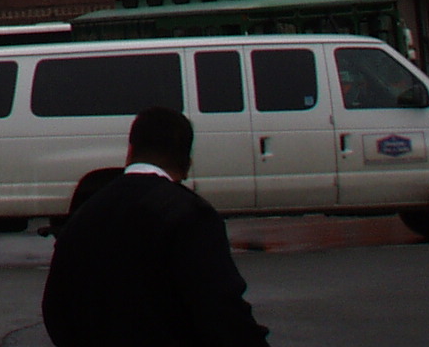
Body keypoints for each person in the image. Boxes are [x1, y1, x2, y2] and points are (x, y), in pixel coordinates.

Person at [41, 107, 269, 347]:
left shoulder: (84, 215)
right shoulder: (191, 216)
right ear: (187, 163)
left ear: (130, 151)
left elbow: (56, 310)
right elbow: (222, 312)